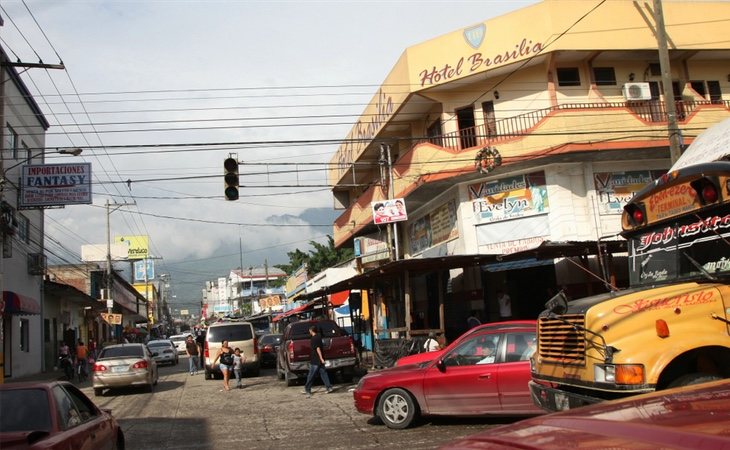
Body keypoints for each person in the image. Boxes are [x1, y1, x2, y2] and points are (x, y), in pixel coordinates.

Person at [302, 326, 333, 398]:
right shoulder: (319, 337)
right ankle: (328, 387)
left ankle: (307, 388)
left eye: (309, 330)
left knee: (311, 374)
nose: (309, 332)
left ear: (311, 330)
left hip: (316, 359)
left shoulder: (314, 338)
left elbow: (317, 348)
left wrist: (321, 358)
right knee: (323, 373)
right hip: (319, 359)